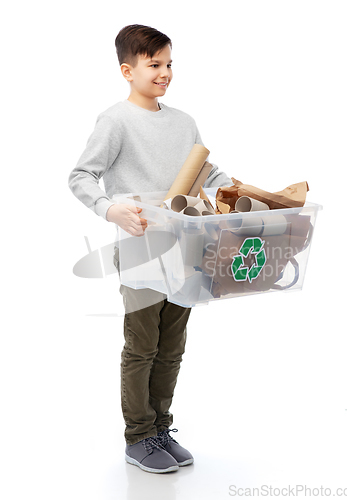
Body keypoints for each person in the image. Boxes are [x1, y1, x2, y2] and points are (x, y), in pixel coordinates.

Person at [68, 24, 232, 473]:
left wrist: (239, 189)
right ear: (128, 70)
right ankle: (138, 436)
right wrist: (109, 210)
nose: (165, 73)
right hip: (142, 249)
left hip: (186, 247)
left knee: (173, 345)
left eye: (169, 63)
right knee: (142, 345)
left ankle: (160, 429)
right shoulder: (115, 121)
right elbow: (82, 175)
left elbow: (207, 173)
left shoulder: (183, 123)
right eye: (154, 64)